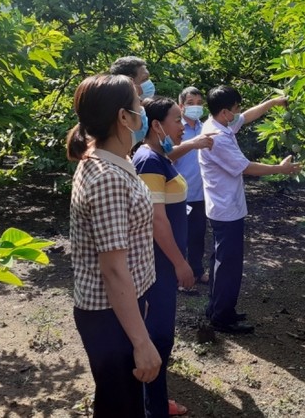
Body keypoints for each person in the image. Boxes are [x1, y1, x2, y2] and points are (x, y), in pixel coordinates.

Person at [67, 74, 161, 417]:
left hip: (122, 308)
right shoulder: (106, 178)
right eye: (139, 105)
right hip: (111, 315)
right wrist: (141, 342)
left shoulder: (111, 161)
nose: (143, 112)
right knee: (122, 407)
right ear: (124, 117)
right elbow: (113, 269)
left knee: (117, 403)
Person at [199, 86, 301, 334]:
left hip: (221, 206)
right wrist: (280, 169)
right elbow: (246, 167)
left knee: (220, 260)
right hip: (226, 208)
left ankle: (216, 308)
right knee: (229, 265)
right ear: (224, 112)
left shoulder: (216, 124)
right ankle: (223, 317)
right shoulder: (219, 138)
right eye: (235, 109)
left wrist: (273, 103)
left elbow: (247, 117)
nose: (238, 113)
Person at [131, 96, 194, 418]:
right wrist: (181, 263)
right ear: (157, 125)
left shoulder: (160, 156)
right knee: (158, 336)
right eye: (177, 120)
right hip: (158, 266)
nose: (182, 126)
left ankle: (155, 401)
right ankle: (152, 406)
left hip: (164, 265)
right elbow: (157, 222)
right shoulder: (149, 161)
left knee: (162, 336)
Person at [172, 86, 211, 285]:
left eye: (198, 103)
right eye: (190, 103)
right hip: (178, 194)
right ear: (181, 106)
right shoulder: (176, 129)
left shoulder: (206, 128)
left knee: (197, 235)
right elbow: (168, 155)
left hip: (199, 193)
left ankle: (197, 271)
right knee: (179, 238)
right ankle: (179, 276)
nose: (195, 107)